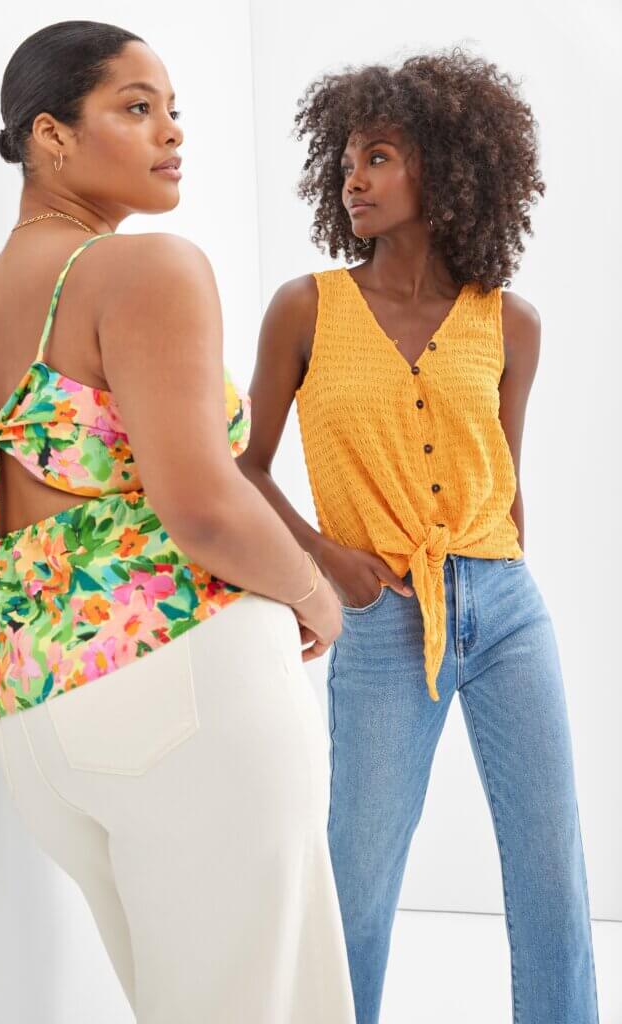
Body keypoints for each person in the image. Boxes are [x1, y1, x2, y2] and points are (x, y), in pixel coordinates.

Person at [0, 20, 358, 1024]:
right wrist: (313, 595)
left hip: (39, 714)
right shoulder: (146, 270)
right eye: (135, 108)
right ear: (49, 136)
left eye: (174, 110)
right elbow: (205, 505)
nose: (170, 132)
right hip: (183, 682)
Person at [236, 49, 600, 1024]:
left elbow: (508, 486)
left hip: (505, 609)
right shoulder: (306, 308)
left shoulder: (508, 322)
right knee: (356, 879)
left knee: (550, 873)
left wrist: (501, 571)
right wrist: (323, 553)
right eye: (346, 159)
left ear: (442, 165)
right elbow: (244, 465)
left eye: (379, 156)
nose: (353, 178)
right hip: (382, 618)